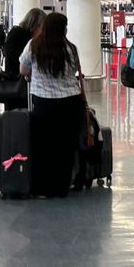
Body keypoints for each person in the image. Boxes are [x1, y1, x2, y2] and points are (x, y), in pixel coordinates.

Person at [19, 12, 84, 198]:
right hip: (70, 102)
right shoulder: (71, 48)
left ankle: (42, 188)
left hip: (43, 102)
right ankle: (61, 187)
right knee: (65, 146)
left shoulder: (34, 45)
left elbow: (23, 68)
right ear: (64, 28)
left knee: (43, 145)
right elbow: (75, 71)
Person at [2, 8, 46, 110]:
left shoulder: (24, 36)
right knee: (18, 119)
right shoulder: (18, 35)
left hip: (21, 87)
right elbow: (16, 62)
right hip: (16, 87)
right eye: (41, 28)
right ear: (35, 25)